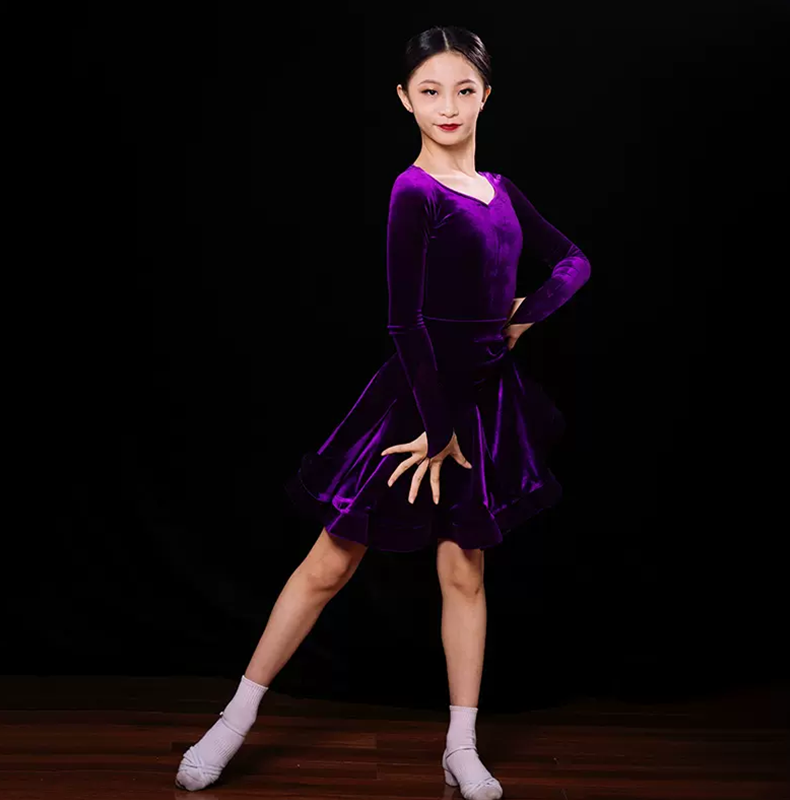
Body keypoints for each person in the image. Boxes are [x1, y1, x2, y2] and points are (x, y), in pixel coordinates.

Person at [176, 24, 591, 798]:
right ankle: (231, 722)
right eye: (430, 91)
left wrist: (524, 316)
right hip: (417, 397)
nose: (448, 106)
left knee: (464, 569)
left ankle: (460, 747)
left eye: (463, 90)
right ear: (405, 99)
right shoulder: (414, 191)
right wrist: (434, 427)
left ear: (486, 96)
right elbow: (404, 322)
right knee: (330, 562)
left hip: (486, 401)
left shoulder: (502, 191)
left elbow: (574, 261)